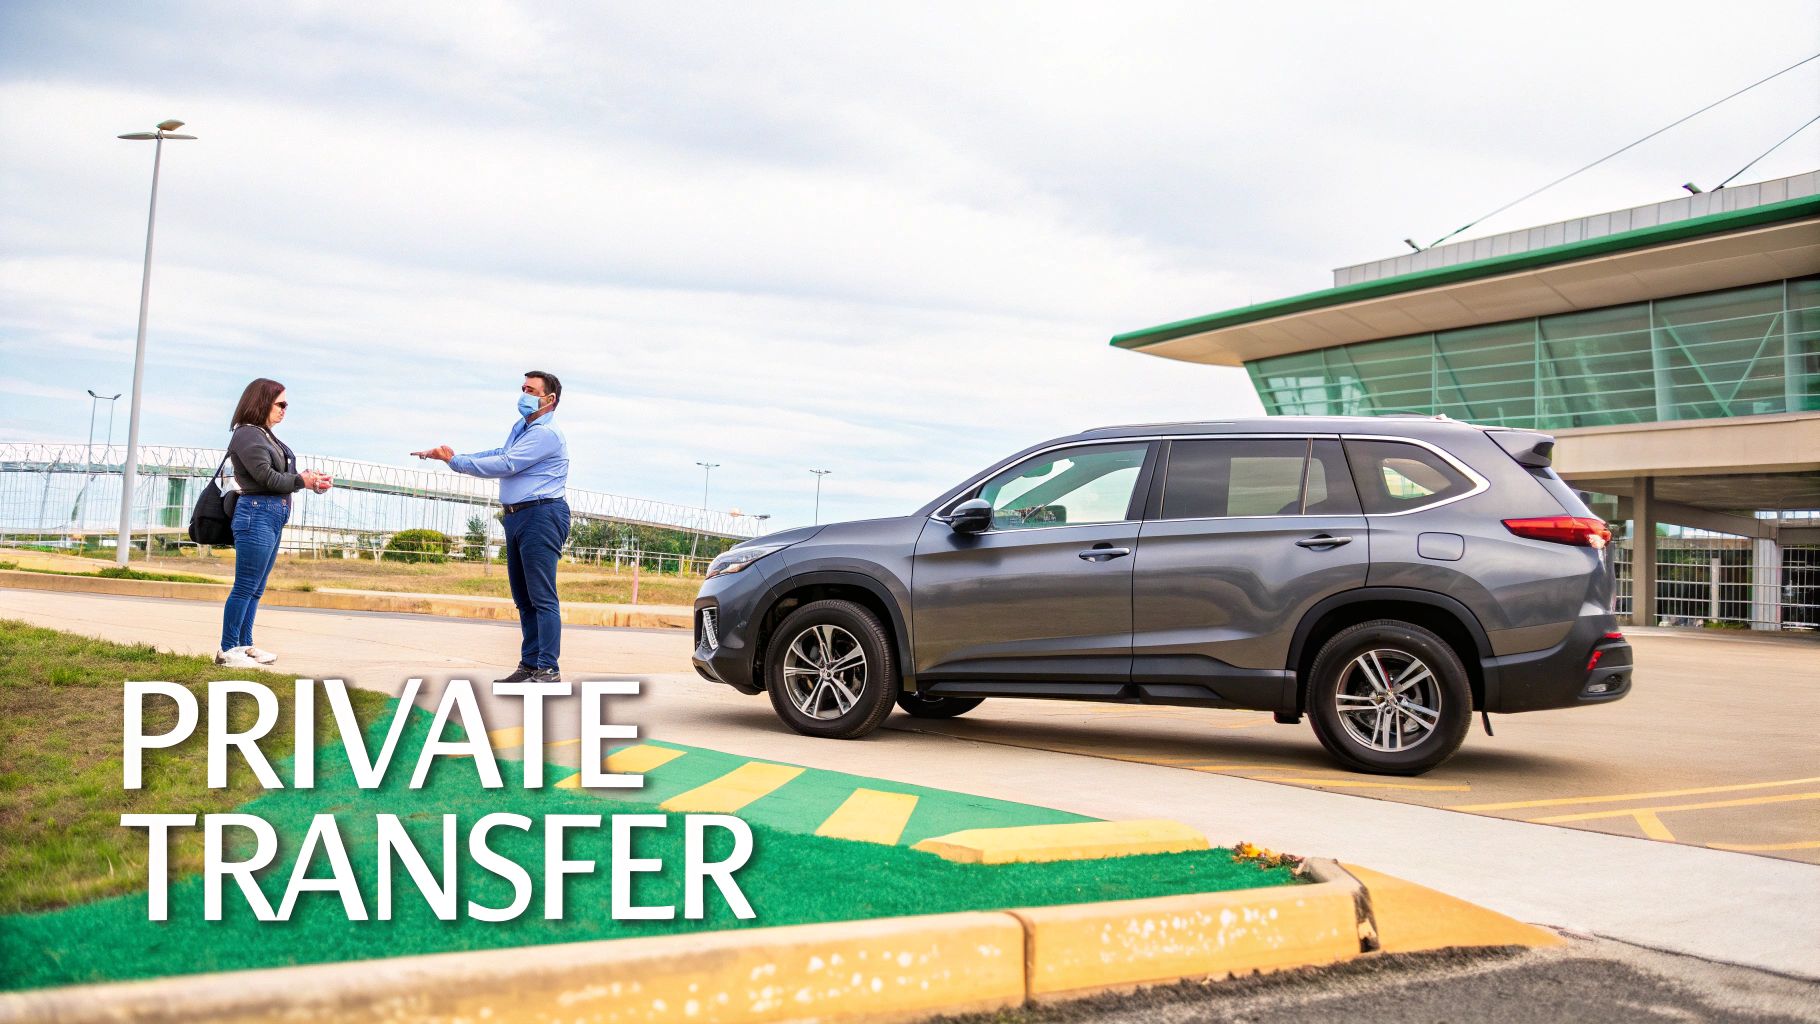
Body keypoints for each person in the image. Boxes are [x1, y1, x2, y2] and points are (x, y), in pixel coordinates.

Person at [413, 371, 570, 683]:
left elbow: (508, 464)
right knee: (523, 598)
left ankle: (548, 668)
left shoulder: (546, 434)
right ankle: (529, 665)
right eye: (523, 388)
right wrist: (454, 456)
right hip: (517, 516)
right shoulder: (522, 428)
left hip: (541, 514)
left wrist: (456, 463)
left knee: (542, 597)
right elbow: (499, 454)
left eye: (531, 390)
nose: (523, 394)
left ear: (549, 400)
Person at [217, 378, 332, 668]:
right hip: (256, 514)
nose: (284, 409)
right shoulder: (246, 435)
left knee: (256, 587)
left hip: (271, 514)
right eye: (280, 403)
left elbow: (283, 478)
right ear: (261, 402)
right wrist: (299, 481)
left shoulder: (265, 435)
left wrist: (310, 480)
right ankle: (228, 650)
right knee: (244, 586)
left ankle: (244, 644)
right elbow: (266, 478)